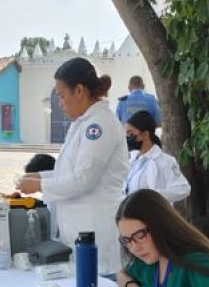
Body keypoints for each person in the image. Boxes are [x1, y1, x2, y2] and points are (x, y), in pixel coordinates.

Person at [17, 57, 128, 274]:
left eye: (62, 95)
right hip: (79, 232)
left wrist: (41, 186)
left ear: (79, 90)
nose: (60, 103)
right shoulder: (82, 123)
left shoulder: (99, 125)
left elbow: (84, 179)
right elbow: (68, 172)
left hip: (96, 231)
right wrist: (40, 177)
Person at [125, 110, 191, 204]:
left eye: (130, 134)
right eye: (126, 134)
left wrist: (152, 196)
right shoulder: (132, 160)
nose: (127, 138)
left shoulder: (165, 161)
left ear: (145, 134)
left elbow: (183, 189)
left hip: (153, 216)